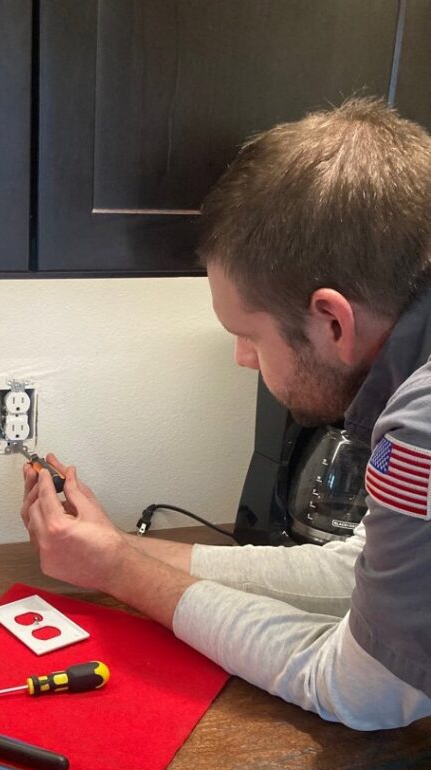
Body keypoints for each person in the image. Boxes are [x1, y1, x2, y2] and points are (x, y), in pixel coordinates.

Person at [21, 98, 431, 731]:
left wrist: (116, 572)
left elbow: (363, 690)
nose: (243, 359)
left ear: (331, 321)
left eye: (249, 334)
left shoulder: (420, 428)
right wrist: (120, 550)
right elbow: (353, 568)